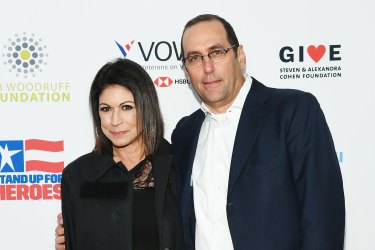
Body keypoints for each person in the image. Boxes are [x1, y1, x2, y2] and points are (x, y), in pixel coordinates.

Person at [56, 14, 345, 250]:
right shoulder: (186, 133)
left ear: (240, 55)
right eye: (194, 58)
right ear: (185, 69)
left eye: (216, 52)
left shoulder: (293, 110)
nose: (207, 67)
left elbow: (323, 216)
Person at [59, 58, 184, 250]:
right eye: (106, 109)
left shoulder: (178, 167)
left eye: (127, 107)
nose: (115, 120)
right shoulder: (77, 175)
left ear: (146, 107)